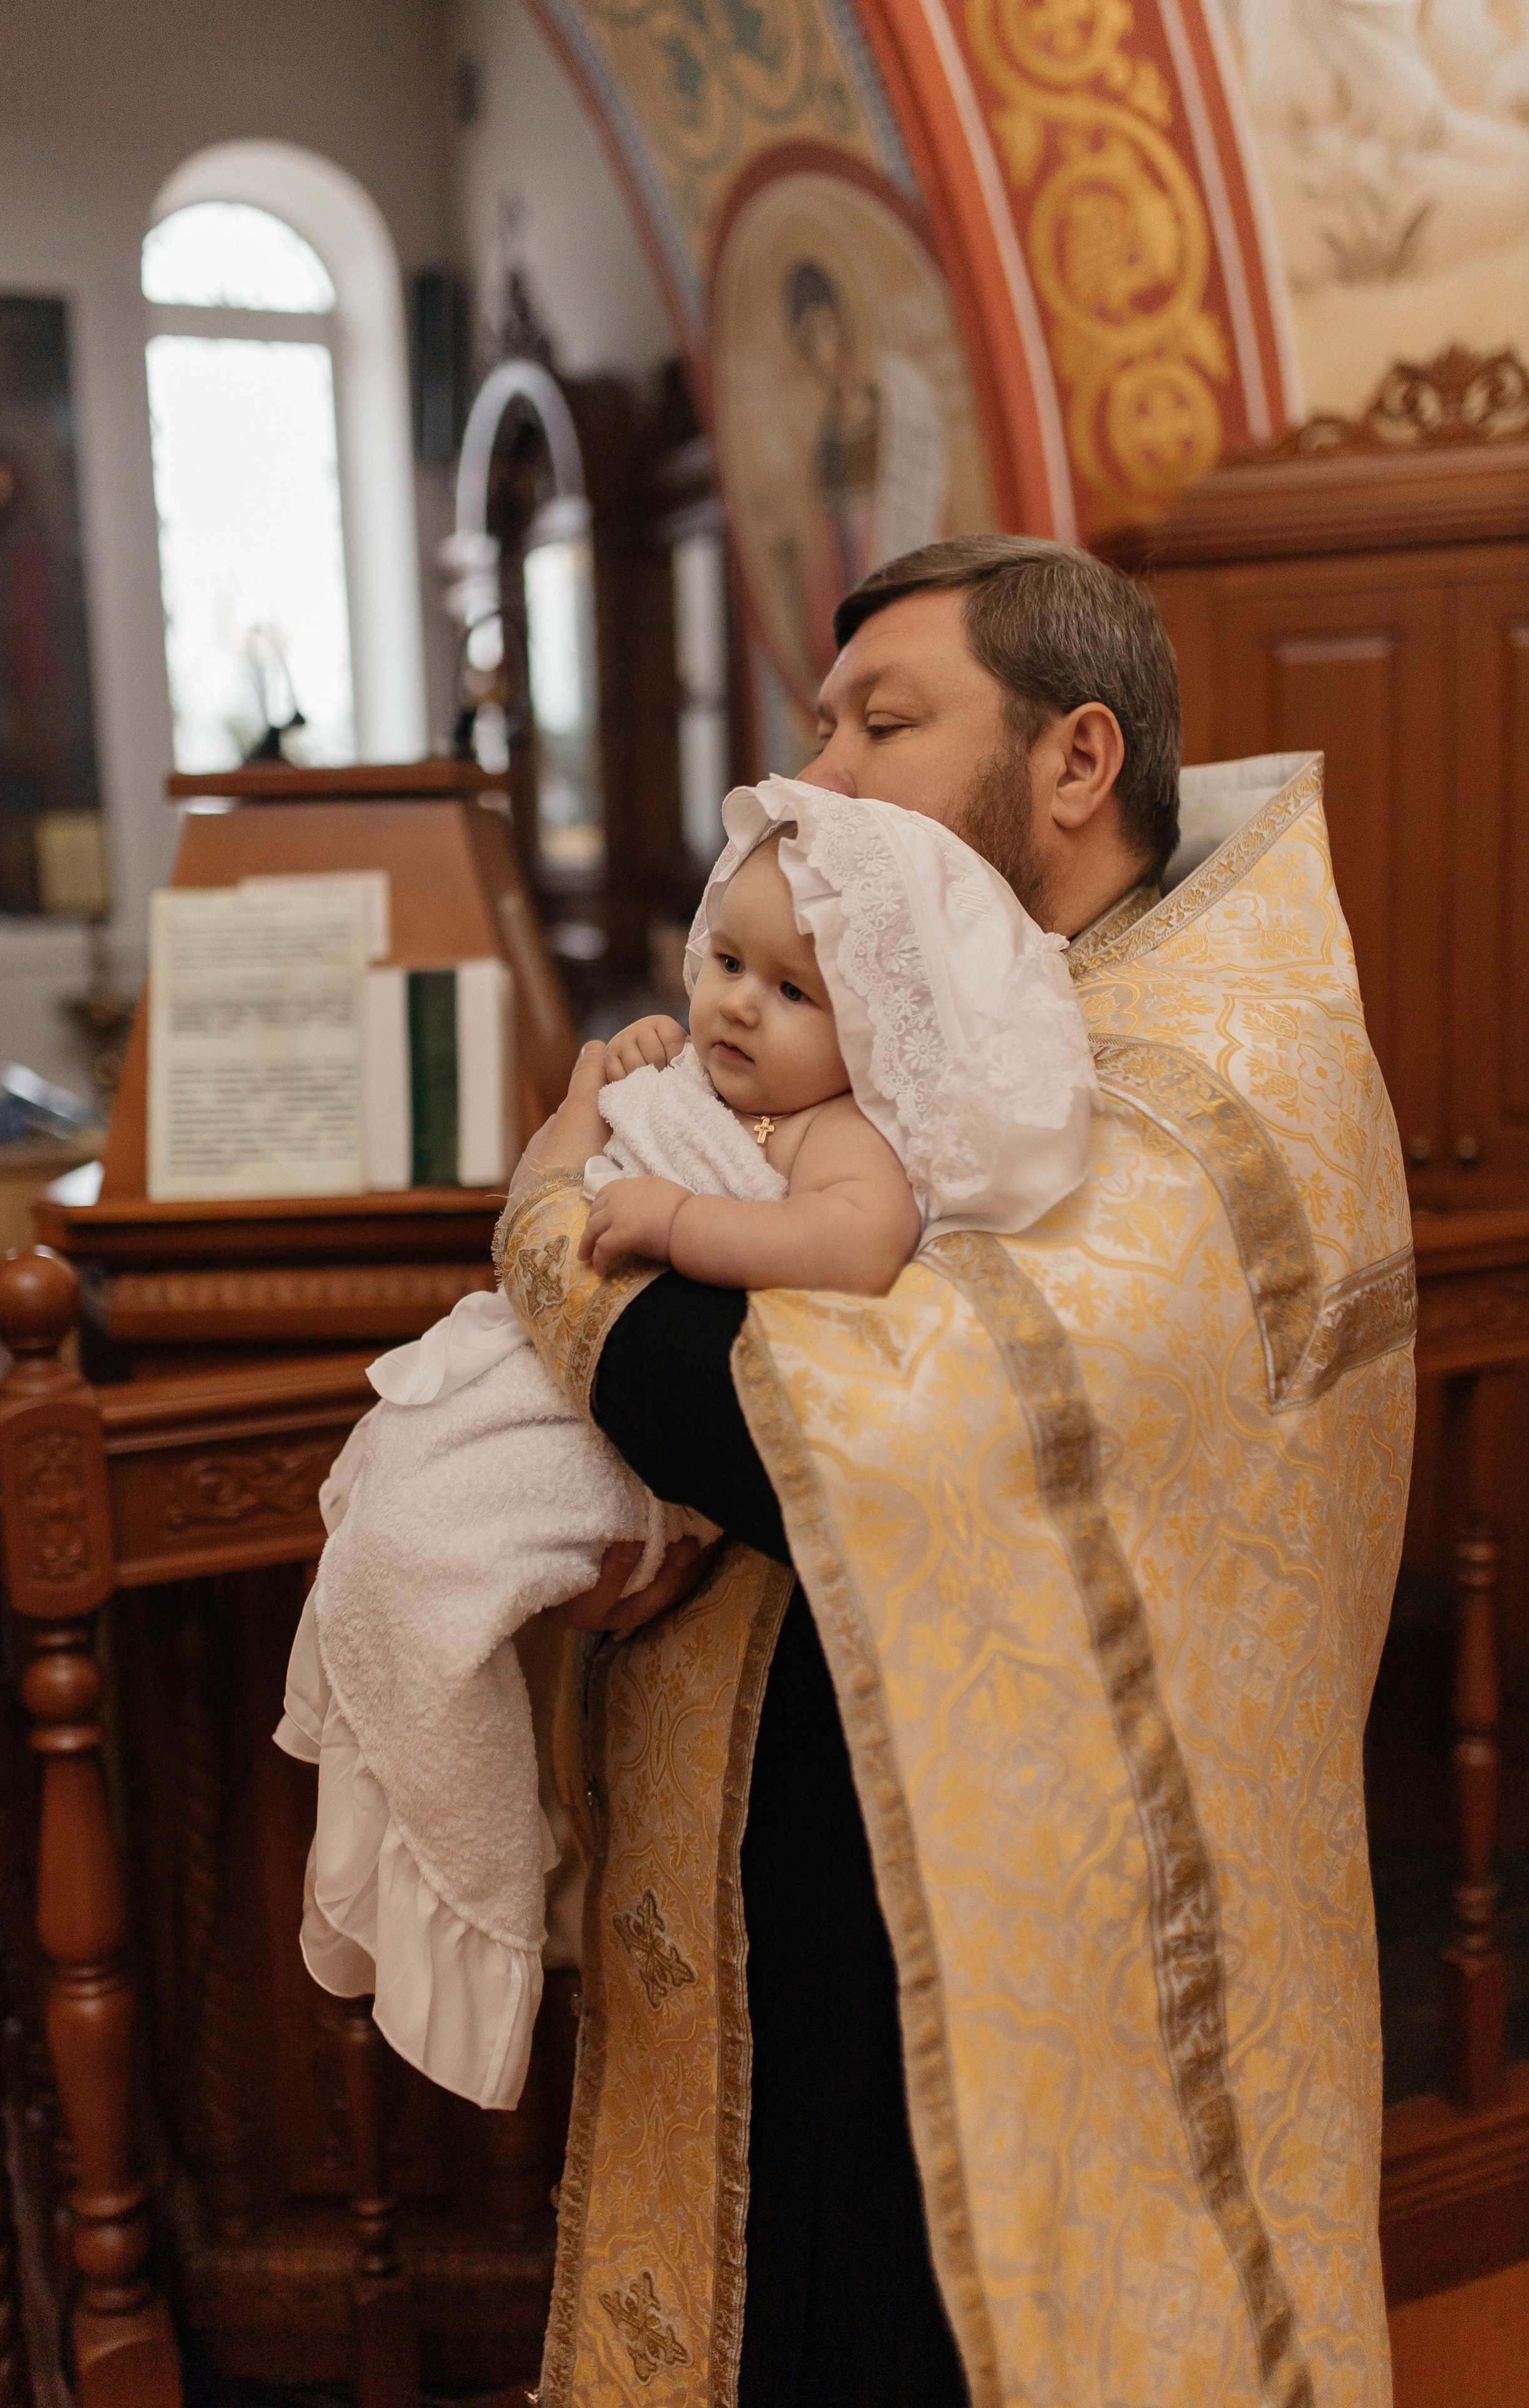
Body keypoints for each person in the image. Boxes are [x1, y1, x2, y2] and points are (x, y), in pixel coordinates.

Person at [501, 535, 1414, 2408]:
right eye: (819, 722)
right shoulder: (956, 1003)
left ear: (1078, 763)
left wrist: (547, 1215)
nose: (815, 779)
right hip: (872, 1896)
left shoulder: (1203, 1068)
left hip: (1057, 2014)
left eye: (882, 724)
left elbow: (788, 1418)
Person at [276, 774, 1095, 2115]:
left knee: (427, 1558)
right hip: (533, 1367)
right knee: (384, 1527)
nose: (732, 1006)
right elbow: (543, 1191)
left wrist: (673, 1220)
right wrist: (594, 1096)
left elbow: (849, 1247)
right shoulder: (696, 1083)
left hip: (618, 1440)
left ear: (875, 1028)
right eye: (724, 961)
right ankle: (419, 1807)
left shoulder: (847, 1138)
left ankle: (468, 1892)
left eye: (789, 993)